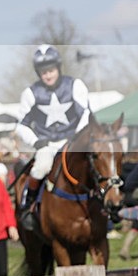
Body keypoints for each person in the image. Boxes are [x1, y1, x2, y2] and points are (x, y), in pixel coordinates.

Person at [15, 44, 90, 218]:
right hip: (46, 143)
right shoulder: (30, 93)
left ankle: (105, 208)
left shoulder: (75, 85)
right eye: (43, 71)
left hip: (73, 142)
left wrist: (77, 138)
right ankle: (29, 206)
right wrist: (36, 142)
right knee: (41, 167)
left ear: (58, 68)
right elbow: (21, 125)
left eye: (51, 70)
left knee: (93, 167)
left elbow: (86, 113)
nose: (48, 74)